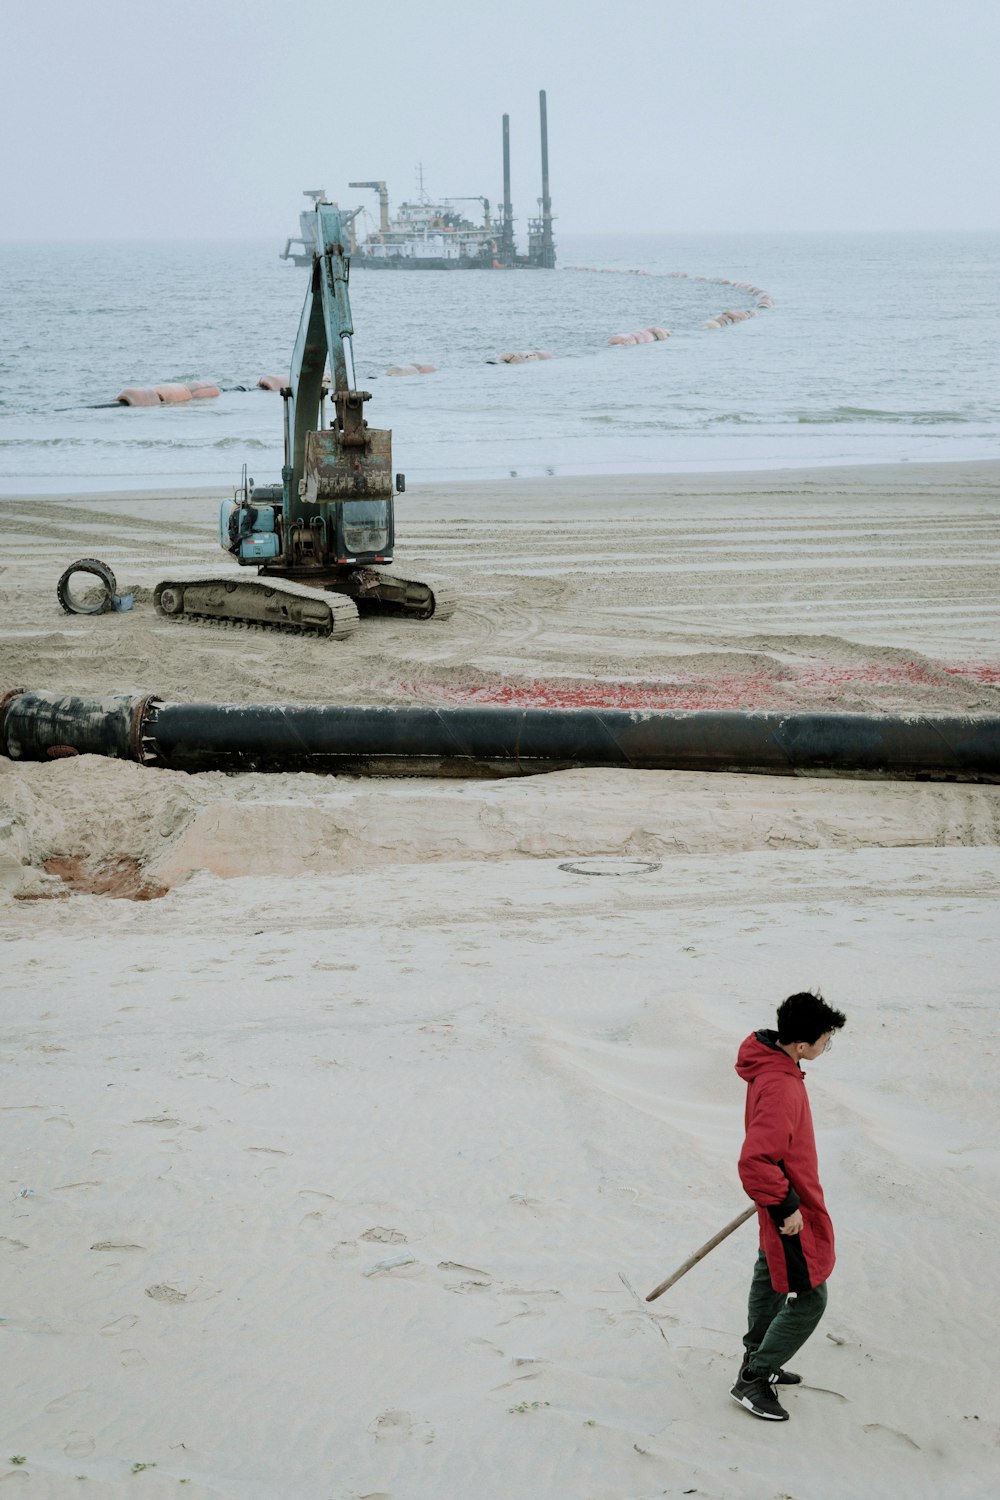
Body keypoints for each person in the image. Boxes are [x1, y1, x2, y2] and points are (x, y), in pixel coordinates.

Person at [730, 990, 847, 1421]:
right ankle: (754, 1378)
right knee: (811, 1296)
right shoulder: (780, 1085)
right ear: (801, 1045)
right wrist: (785, 1207)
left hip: (782, 1198)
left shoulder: (779, 1066)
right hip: (788, 1207)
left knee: (770, 1275)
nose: (826, 1047)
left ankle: (756, 1358)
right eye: (825, 1040)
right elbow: (755, 1159)